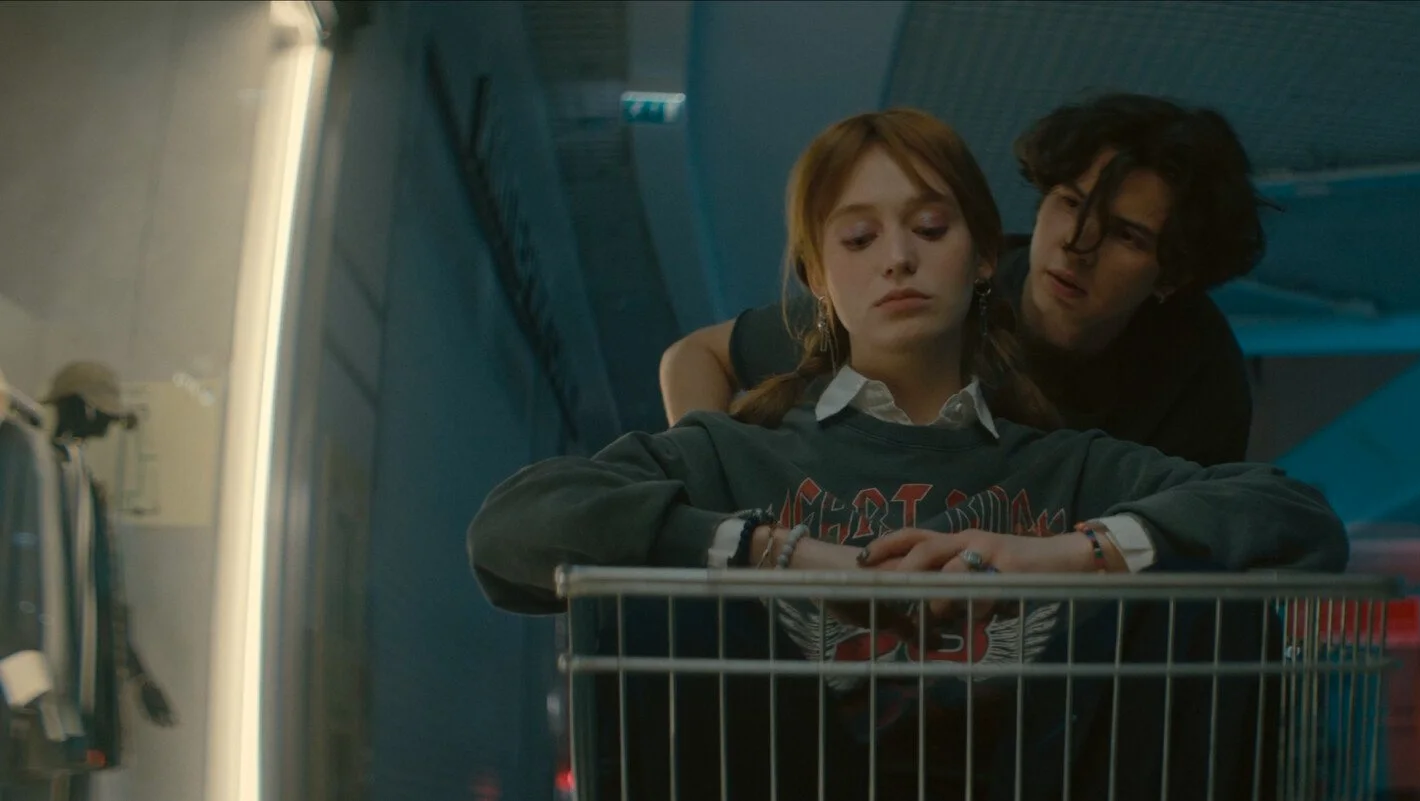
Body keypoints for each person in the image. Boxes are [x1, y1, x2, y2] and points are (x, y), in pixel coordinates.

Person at [469, 108, 1345, 800]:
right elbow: (513, 529)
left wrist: (1062, 555)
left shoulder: (1075, 466)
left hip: (1030, 768)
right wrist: (770, 551)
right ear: (819, 280)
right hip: (778, 766)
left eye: (931, 228)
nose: (897, 259)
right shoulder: (733, 454)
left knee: (1194, 587)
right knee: (665, 588)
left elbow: (1293, 520)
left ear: (983, 262)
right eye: (857, 240)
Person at [659, 93, 1271, 466]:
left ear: (1174, 276)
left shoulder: (1199, 369)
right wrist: (711, 480)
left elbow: (1193, 541)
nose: (1075, 245)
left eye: (1125, 235)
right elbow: (696, 356)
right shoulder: (938, 290)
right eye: (1067, 201)